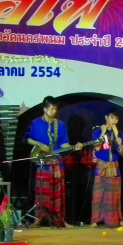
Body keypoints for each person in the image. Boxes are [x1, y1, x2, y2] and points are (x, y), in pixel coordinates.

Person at [25, 96, 79, 228]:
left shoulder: (60, 124)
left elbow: (64, 144)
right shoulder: (35, 123)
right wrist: (39, 144)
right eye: (51, 109)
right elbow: (27, 139)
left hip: (57, 162)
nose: (54, 111)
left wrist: (74, 147)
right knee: (41, 192)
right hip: (42, 162)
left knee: (58, 192)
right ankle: (38, 219)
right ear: (45, 109)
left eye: (55, 109)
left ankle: (60, 219)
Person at [90, 108, 123, 228]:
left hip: (114, 167)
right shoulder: (98, 131)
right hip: (102, 166)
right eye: (112, 117)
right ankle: (95, 220)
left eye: (116, 118)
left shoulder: (119, 134)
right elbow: (97, 148)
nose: (114, 120)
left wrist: (119, 143)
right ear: (106, 117)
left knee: (114, 195)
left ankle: (117, 219)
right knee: (98, 194)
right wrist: (103, 132)